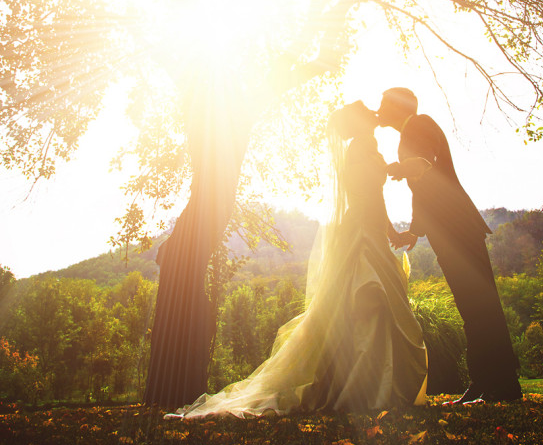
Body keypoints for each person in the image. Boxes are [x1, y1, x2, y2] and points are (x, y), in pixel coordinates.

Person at [167, 100, 427, 419]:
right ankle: (362, 386)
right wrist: (393, 172)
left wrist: (392, 232)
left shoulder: (370, 148)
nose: (371, 110)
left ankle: (380, 384)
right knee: (367, 299)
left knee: (380, 304)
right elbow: (363, 195)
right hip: (358, 233)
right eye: (364, 110)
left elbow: (377, 197)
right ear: (358, 124)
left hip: (371, 231)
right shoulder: (358, 151)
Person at [376, 87, 522, 404]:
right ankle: (486, 383)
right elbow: (423, 190)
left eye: (384, 104)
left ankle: (501, 385)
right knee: (473, 307)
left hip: (457, 227)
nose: (379, 109)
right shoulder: (410, 131)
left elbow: (424, 165)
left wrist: (399, 167)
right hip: (449, 229)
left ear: (399, 106)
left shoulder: (418, 123)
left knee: (480, 305)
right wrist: (414, 231)